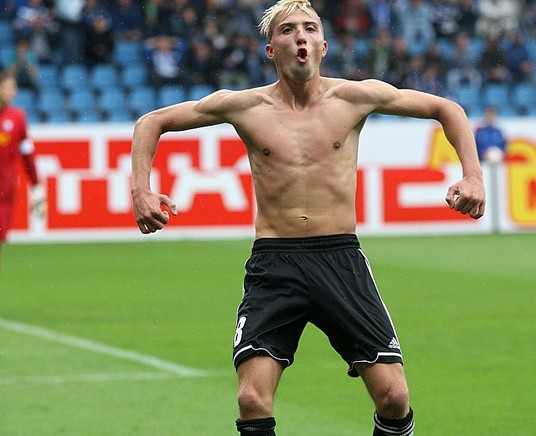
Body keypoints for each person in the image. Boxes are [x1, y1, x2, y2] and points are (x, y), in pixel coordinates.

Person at [130, 1, 486, 435]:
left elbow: (448, 109)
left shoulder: (356, 97)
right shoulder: (243, 106)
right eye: (288, 30)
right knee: (251, 398)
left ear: (323, 44)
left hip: (339, 257)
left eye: (309, 28)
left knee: (394, 398)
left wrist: (473, 176)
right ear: (270, 49)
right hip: (274, 262)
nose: (300, 36)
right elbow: (152, 122)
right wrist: (141, 191)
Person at [0, 70, 45, 268]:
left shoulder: (17, 117)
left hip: (4, 195)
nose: (14, 92)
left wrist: (36, 187)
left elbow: (27, 154)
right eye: (10, 87)